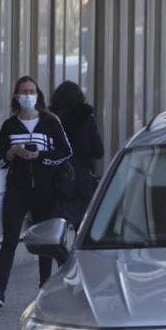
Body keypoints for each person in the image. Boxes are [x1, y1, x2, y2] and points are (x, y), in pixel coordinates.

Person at [0, 76, 73, 308]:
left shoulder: (50, 122)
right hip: (17, 190)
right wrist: (13, 153)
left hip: (46, 190)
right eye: (24, 91)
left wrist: (40, 155)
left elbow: (65, 152)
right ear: (16, 96)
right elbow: (0, 161)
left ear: (38, 95)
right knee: (10, 237)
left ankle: (44, 288)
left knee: (45, 241)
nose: (28, 95)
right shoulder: (9, 126)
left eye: (32, 91)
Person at [49, 81, 104, 227]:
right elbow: (99, 151)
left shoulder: (49, 120)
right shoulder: (86, 119)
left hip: (56, 185)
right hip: (81, 185)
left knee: (56, 231)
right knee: (83, 229)